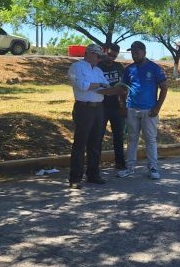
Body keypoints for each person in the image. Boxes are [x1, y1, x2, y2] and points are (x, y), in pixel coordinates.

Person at [67, 43, 127, 189]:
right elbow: (82, 86)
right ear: (88, 53)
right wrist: (98, 85)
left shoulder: (98, 70)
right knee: (80, 143)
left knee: (95, 143)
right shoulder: (76, 67)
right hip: (84, 108)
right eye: (97, 56)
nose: (100, 59)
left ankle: (93, 174)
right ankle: (75, 178)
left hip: (99, 108)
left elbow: (105, 87)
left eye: (100, 56)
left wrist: (116, 90)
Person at [117, 41, 167, 180]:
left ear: (144, 52)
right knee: (132, 139)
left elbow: (164, 88)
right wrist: (123, 106)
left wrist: (157, 107)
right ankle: (130, 168)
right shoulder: (129, 69)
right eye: (132, 52)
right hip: (132, 109)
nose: (134, 55)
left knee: (150, 139)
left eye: (137, 52)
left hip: (149, 110)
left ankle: (153, 167)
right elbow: (123, 89)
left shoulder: (155, 68)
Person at [97, 42, 127, 171]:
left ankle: (120, 162)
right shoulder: (97, 67)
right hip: (101, 107)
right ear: (104, 51)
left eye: (114, 56)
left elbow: (124, 87)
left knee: (119, 136)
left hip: (117, 106)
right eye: (109, 54)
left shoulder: (119, 67)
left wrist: (124, 106)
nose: (111, 58)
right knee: (97, 136)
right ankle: (94, 165)